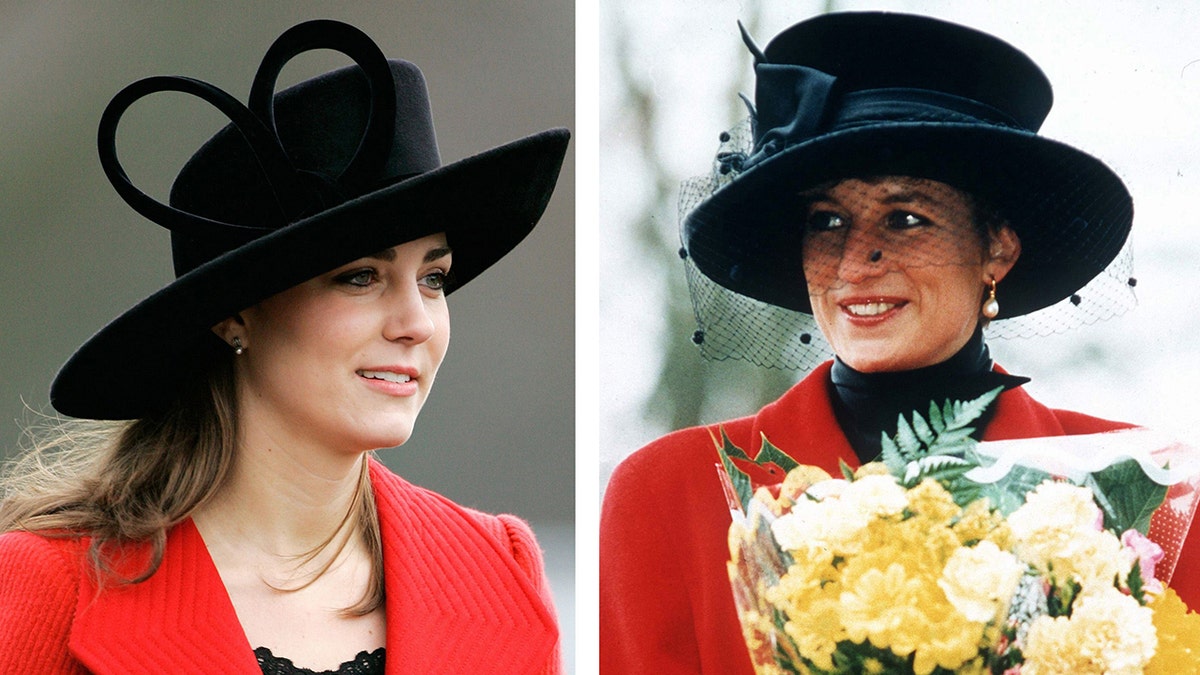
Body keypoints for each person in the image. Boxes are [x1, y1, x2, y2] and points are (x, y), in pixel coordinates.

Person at [600, 11, 1197, 674]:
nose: (856, 262)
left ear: (997, 249)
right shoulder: (668, 494)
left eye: (906, 217)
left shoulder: (1148, 498)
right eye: (826, 221)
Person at [0, 19, 569, 674]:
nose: (416, 320)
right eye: (361, 277)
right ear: (234, 316)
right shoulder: (52, 587)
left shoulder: (501, 574)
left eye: (433, 278)